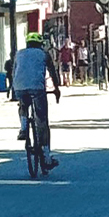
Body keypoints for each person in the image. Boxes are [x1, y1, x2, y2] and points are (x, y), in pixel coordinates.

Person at [10, 32, 64, 172]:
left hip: (19, 86)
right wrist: (56, 89)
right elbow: (52, 72)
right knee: (42, 120)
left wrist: (12, 89)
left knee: (23, 105)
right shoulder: (44, 54)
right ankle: (46, 158)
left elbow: (14, 71)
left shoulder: (19, 54)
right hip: (37, 88)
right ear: (40, 44)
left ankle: (23, 128)